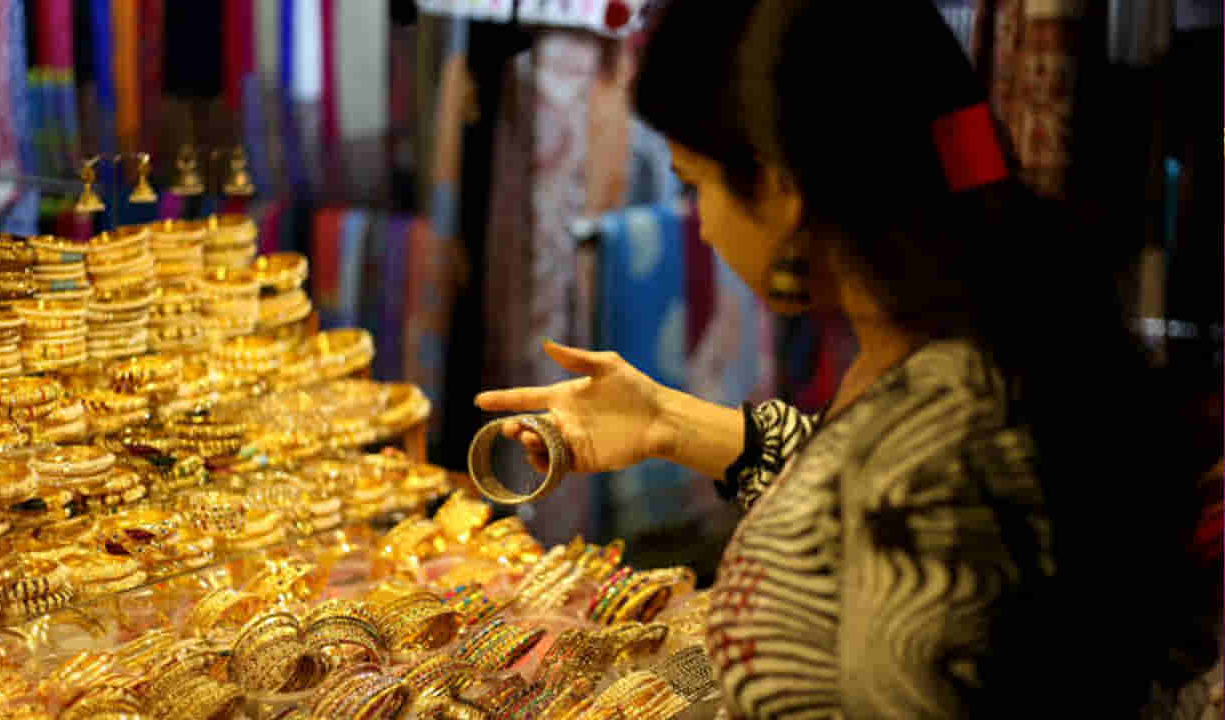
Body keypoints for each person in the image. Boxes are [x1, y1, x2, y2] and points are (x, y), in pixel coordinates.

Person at [476, 0, 1206, 717]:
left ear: (782, 189)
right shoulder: (954, 355)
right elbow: (839, 502)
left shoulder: (949, 456)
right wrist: (665, 421)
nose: (700, 229)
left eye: (697, 185)